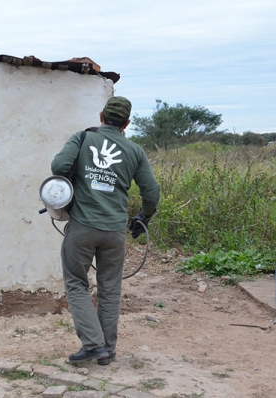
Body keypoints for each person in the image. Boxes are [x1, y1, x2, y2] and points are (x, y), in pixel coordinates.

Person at [50, 96, 160, 365]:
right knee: (110, 289)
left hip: (82, 228)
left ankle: (93, 344)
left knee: (77, 284)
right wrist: (143, 217)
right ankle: (107, 351)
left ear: (101, 116)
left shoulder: (83, 138)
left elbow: (58, 167)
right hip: (115, 232)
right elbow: (152, 192)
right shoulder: (135, 151)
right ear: (127, 123)